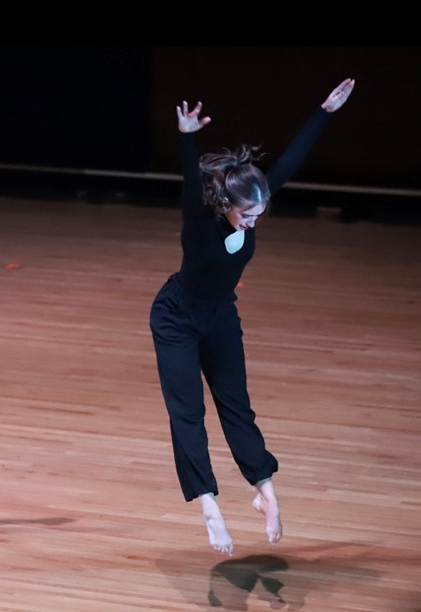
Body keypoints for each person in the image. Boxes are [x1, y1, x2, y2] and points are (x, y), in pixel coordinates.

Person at [150, 79, 355, 556]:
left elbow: (289, 162)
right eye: (247, 215)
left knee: (237, 407)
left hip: (220, 317)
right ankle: (209, 506)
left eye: (260, 215)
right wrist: (186, 137)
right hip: (176, 319)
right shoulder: (200, 223)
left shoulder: (252, 201)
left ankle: (265, 490)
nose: (253, 221)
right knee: (188, 413)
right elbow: (189, 182)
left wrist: (325, 110)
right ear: (226, 205)